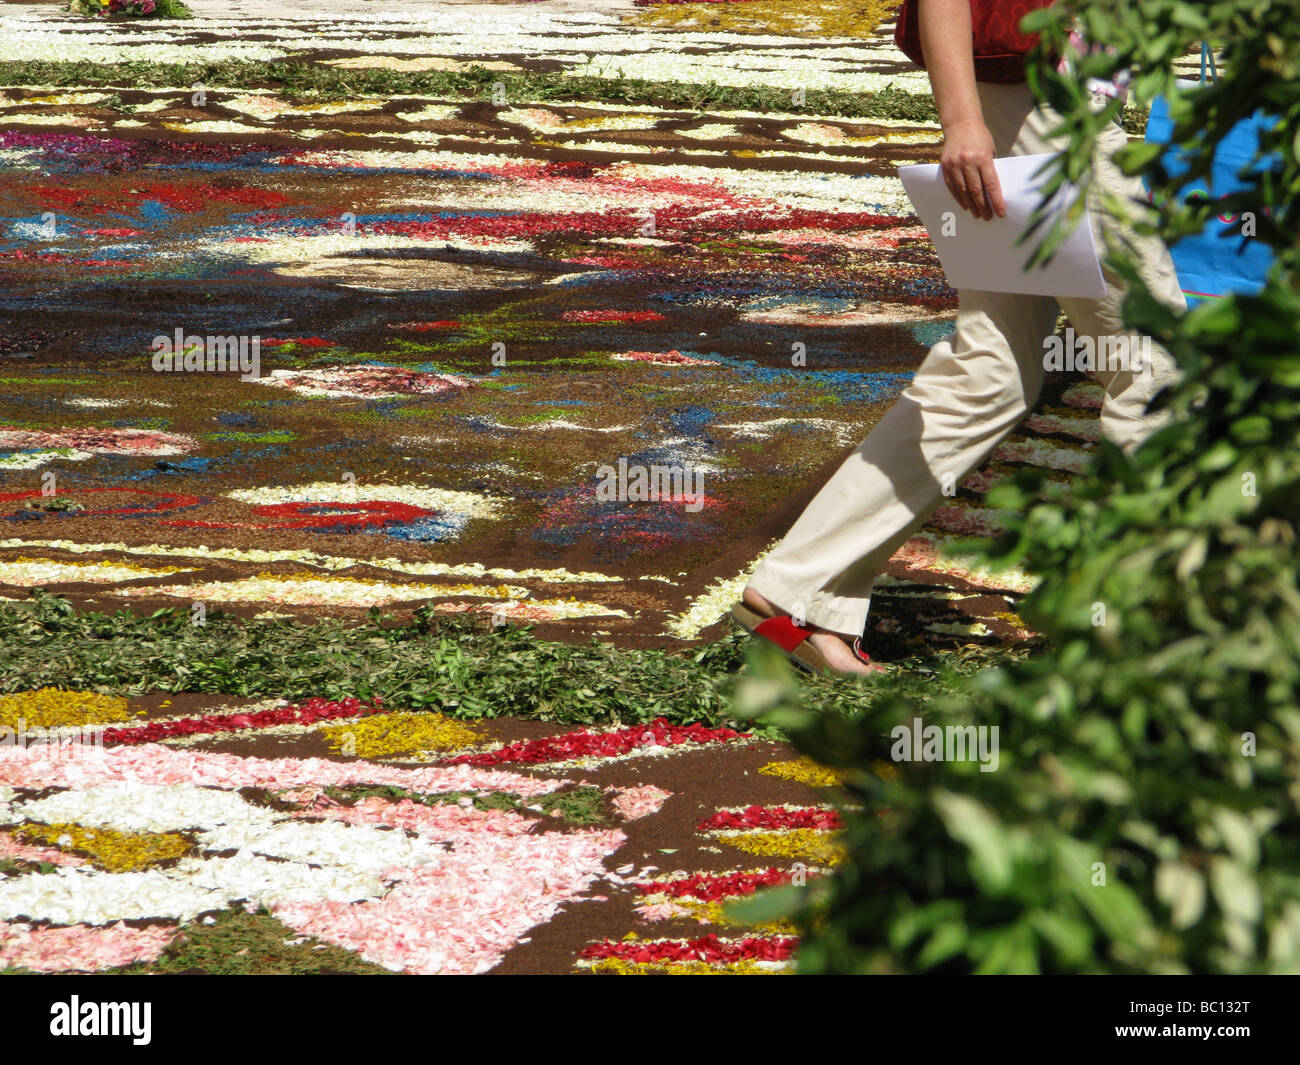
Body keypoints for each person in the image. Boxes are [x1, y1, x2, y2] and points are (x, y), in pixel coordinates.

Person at [731, 0, 1185, 676]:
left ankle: (801, 589)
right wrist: (962, 119)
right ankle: (1141, 639)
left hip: (1038, 98)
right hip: (1046, 111)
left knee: (991, 372)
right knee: (1154, 365)